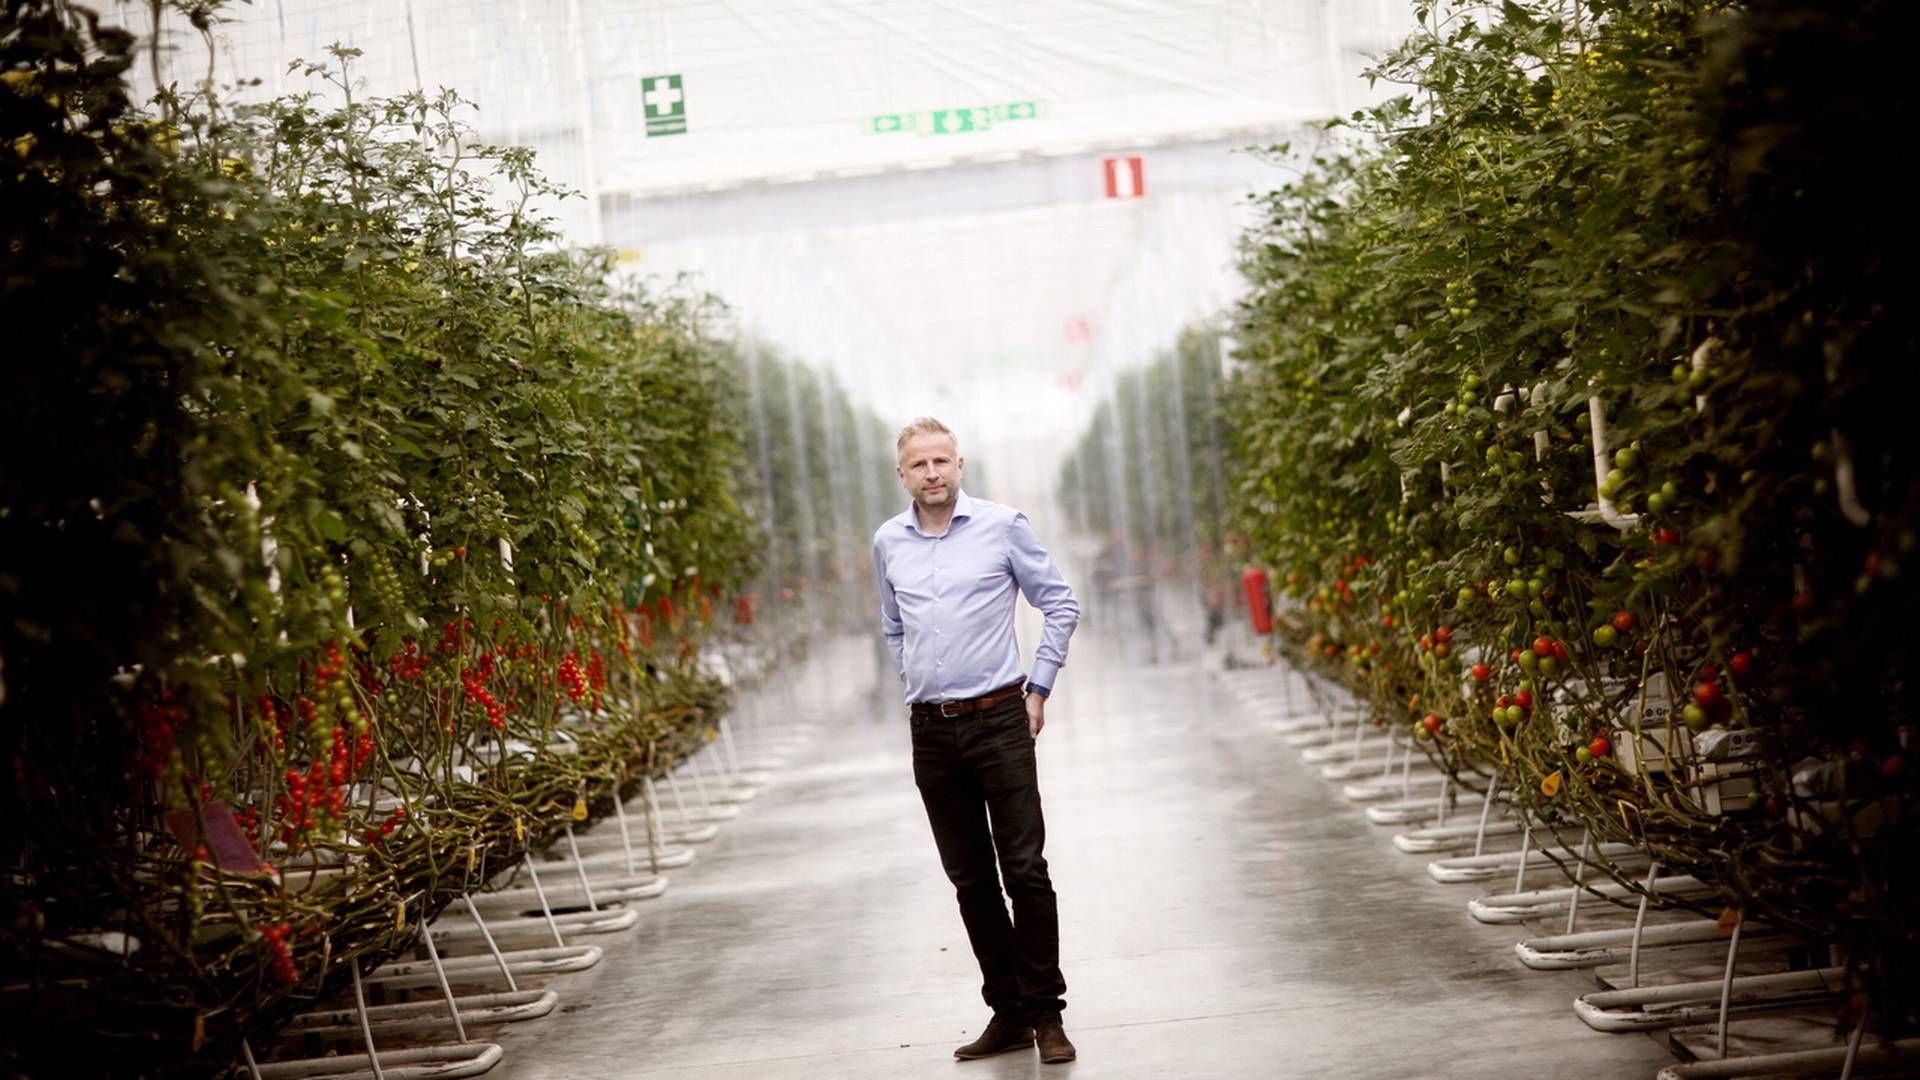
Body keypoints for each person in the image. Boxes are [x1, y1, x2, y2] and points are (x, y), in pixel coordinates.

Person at [871, 417, 1082, 1065]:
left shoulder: (1003, 526)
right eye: (919, 465)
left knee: (1024, 869)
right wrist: (916, 679)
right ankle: (1008, 1012)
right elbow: (892, 626)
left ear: (960, 465)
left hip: (1000, 720)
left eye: (942, 461)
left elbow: (1061, 603)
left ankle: (1047, 1014)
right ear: (902, 475)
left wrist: (1038, 690)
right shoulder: (887, 542)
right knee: (970, 880)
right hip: (931, 731)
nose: (932, 473)